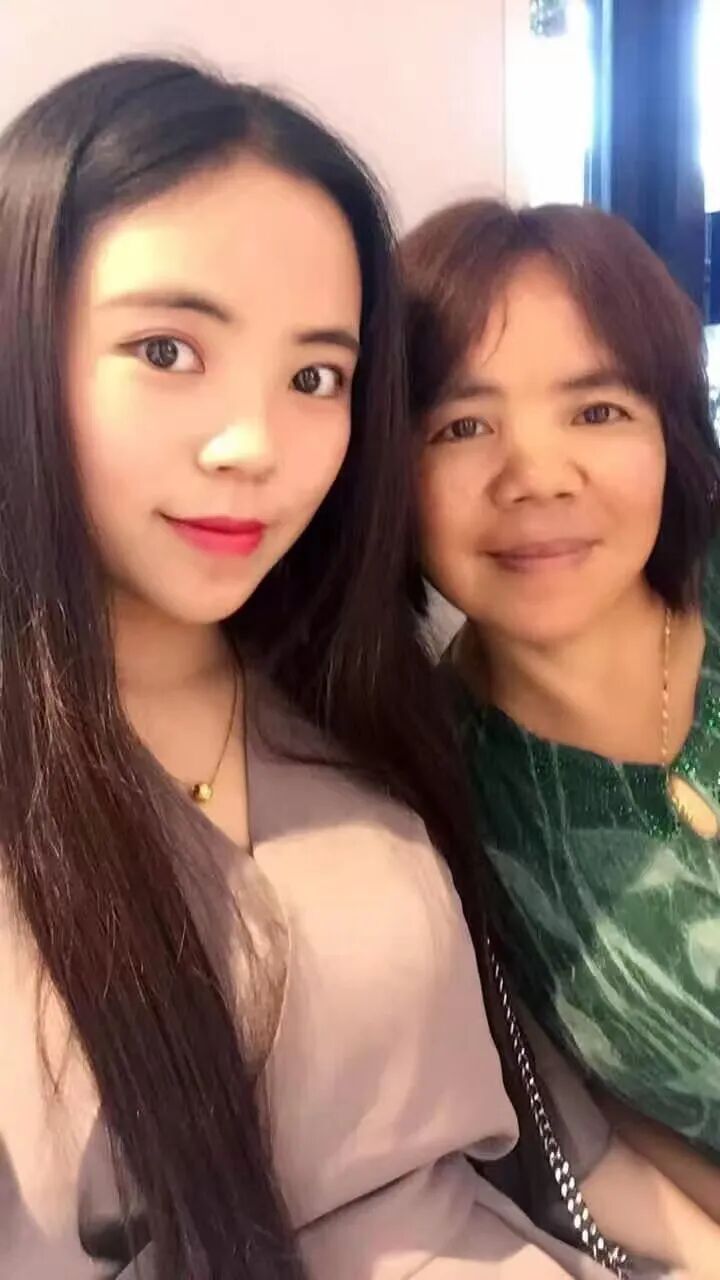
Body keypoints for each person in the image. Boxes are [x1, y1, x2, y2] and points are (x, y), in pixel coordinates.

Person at [0, 59, 708, 1280]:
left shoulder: (356, 700)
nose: (253, 444)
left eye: (315, 376)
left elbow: (558, 1139)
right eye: (167, 348)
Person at [402, 199, 720, 1231]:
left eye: (597, 411)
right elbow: (597, 1119)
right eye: (462, 426)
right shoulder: (423, 797)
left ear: (671, 428)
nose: (536, 477)